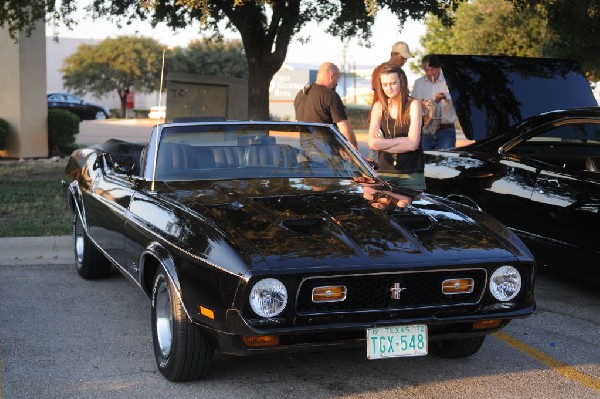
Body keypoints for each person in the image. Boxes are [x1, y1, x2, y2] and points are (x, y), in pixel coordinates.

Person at [368, 62, 424, 190]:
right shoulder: (378, 106)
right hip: (384, 172)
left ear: (401, 82)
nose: (389, 88)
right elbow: (372, 143)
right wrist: (403, 140)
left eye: (393, 83)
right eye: (385, 84)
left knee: (405, 207)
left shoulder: (414, 104)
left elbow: (413, 144)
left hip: (411, 173)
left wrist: (384, 143)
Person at [294, 62, 358, 148]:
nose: (337, 82)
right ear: (332, 76)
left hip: (305, 152)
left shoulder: (300, 95)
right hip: (328, 155)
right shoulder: (331, 96)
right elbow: (346, 131)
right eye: (337, 78)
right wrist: (355, 155)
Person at [369, 41, 412, 160]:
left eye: (406, 58)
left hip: (398, 118)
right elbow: (382, 95)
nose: (404, 61)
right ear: (393, 54)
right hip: (382, 119)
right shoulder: (381, 70)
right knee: (378, 160)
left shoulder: (400, 73)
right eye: (402, 57)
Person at [411, 54, 458, 150]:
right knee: (425, 162)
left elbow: (457, 98)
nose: (430, 73)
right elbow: (414, 104)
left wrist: (445, 96)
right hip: (425, 130)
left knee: (444, 161)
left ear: (439, 68)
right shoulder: (419, 83)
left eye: (432, 69)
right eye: (426, 70)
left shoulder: (450, 80)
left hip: (446, 130)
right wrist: (421, 104)